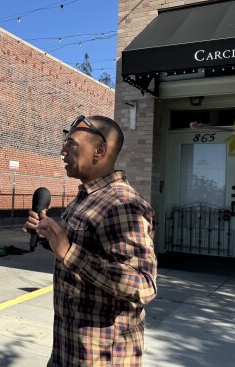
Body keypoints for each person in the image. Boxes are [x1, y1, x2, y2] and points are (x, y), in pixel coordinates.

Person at [25, 115, 157, 366]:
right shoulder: (87, 197)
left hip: (104, 358)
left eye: (71, 144)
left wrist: (68, 250)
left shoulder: (123, 204)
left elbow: (143, 285)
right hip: (68, 350)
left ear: (99, 151)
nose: (63, 150)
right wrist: (50, 238)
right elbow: (81, 248)